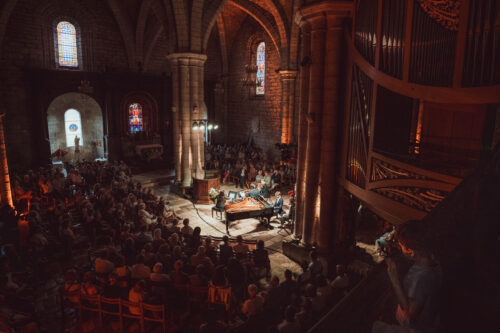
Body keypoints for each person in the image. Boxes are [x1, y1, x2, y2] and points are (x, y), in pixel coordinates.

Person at [373, 220, 442, 333]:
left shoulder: (421, 277)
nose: (400, 248)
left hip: (417, 328)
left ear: (411, 251)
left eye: (401, 246)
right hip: (431, 320)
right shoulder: (432, 260)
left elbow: (410, 315)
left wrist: (394, 279)